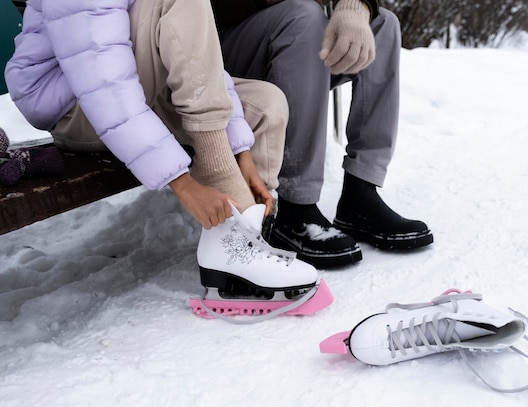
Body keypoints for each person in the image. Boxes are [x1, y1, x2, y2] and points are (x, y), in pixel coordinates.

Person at [4, 0, 325, 316]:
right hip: (76, 103)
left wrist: (241, 150)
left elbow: (202, 60)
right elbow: (105, 87)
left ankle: (242, 243)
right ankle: (237, 244)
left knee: (265, 106)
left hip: (134, 82)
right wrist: (186, 184)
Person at [212, 0, 434, 270]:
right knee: (305, 16)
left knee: (381, 24)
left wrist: (354, 6)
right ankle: (296, 207)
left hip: (289, 32)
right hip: (215, 42)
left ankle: (360, 194)